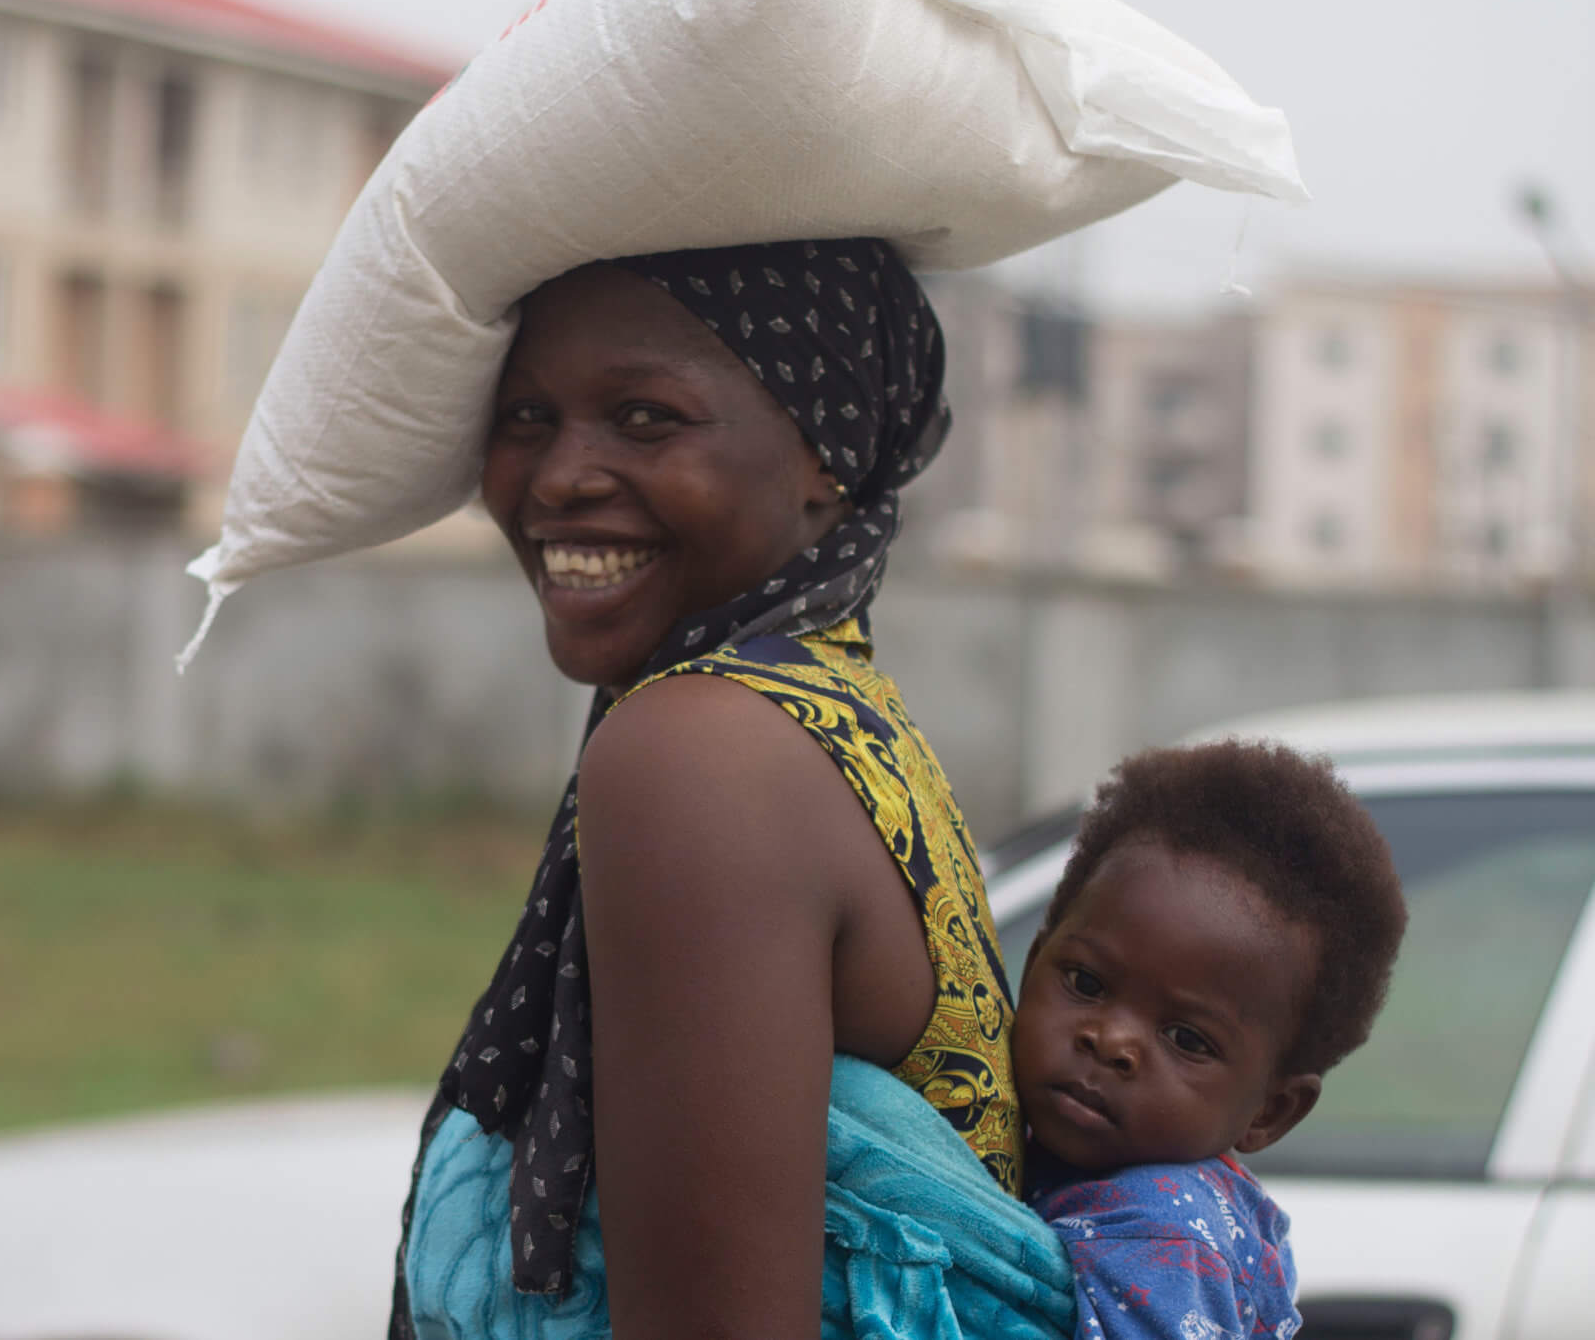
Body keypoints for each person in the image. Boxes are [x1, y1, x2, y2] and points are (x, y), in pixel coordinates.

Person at [391, 238, 1027, 1340]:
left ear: (823, 456)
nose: (556, 475)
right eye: (526, 416)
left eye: (643, 417)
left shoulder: (699, 752)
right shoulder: (832, 710)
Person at [1011, 741, 1408, 1340]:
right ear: (1034, 962)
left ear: (1271, 1111)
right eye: (1086, 982)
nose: (1111, 1041)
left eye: (1186, 1039)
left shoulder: (1159, 1229)